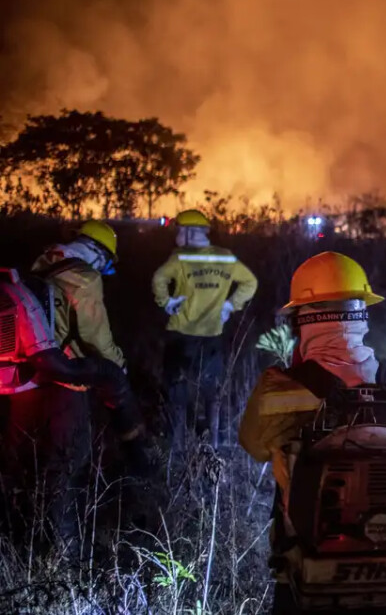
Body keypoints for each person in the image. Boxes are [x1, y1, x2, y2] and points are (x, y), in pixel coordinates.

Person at [238, 252, 386, 613]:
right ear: (362, 315)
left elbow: (253, 444)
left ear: (303, 321)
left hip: (307, 575)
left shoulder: (280, 389)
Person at [1, 268, 150, 556]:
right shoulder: (21, 293)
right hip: (56, 392)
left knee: (25, 472)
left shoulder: (30, 279)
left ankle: (31, 553)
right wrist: (114, 370)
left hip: (24, 394)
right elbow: (62, 357)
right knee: (64, 474)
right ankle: (62, 560)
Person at [152, 209, 257, 451]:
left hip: (181, 333)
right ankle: (214, 444)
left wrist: (167, 302)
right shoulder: (227, 258)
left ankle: (176, 446)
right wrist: (231, 305)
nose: (177, 235)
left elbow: (158, 279)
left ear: (190, 232)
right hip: (212, 334)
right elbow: (251, 282)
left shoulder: (180, 258)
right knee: (212, 390)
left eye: (179, 230)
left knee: (176, 389)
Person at [31, 220, 126, 368]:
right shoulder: (88, 279)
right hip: (66, 371)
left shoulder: (42, 260)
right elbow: (96, 338)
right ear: (98, 252)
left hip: (32, 360)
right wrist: (120, 366)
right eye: (105, 263)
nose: (102, 268)